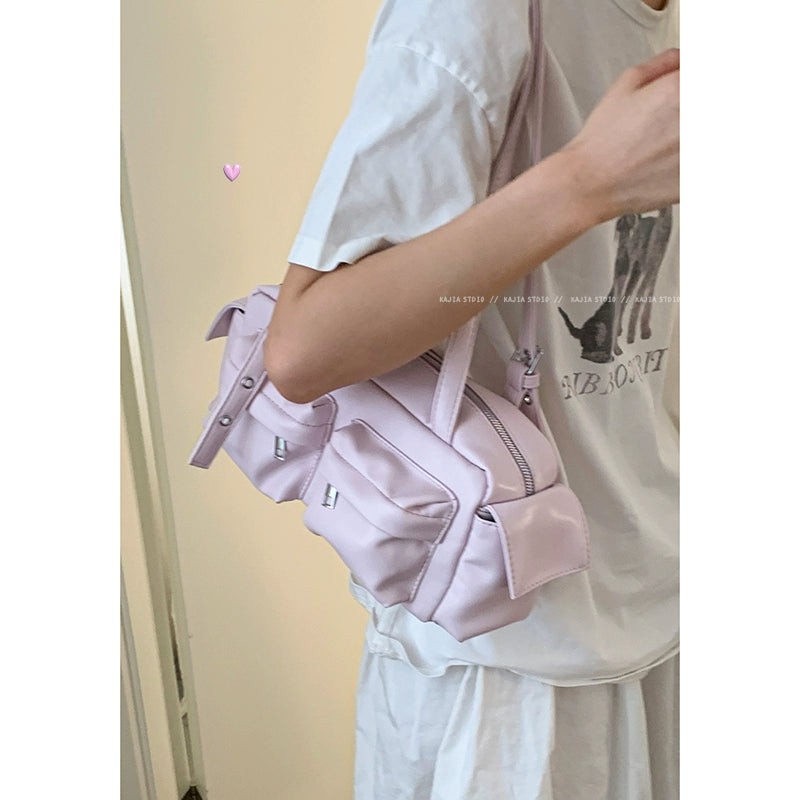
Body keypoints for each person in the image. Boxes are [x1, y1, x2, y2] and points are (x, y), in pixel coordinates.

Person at [264, 0, 679, 797]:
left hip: (660, 605)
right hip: (508, 672)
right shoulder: (473, 13)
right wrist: (586, 181)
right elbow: (305, 347)